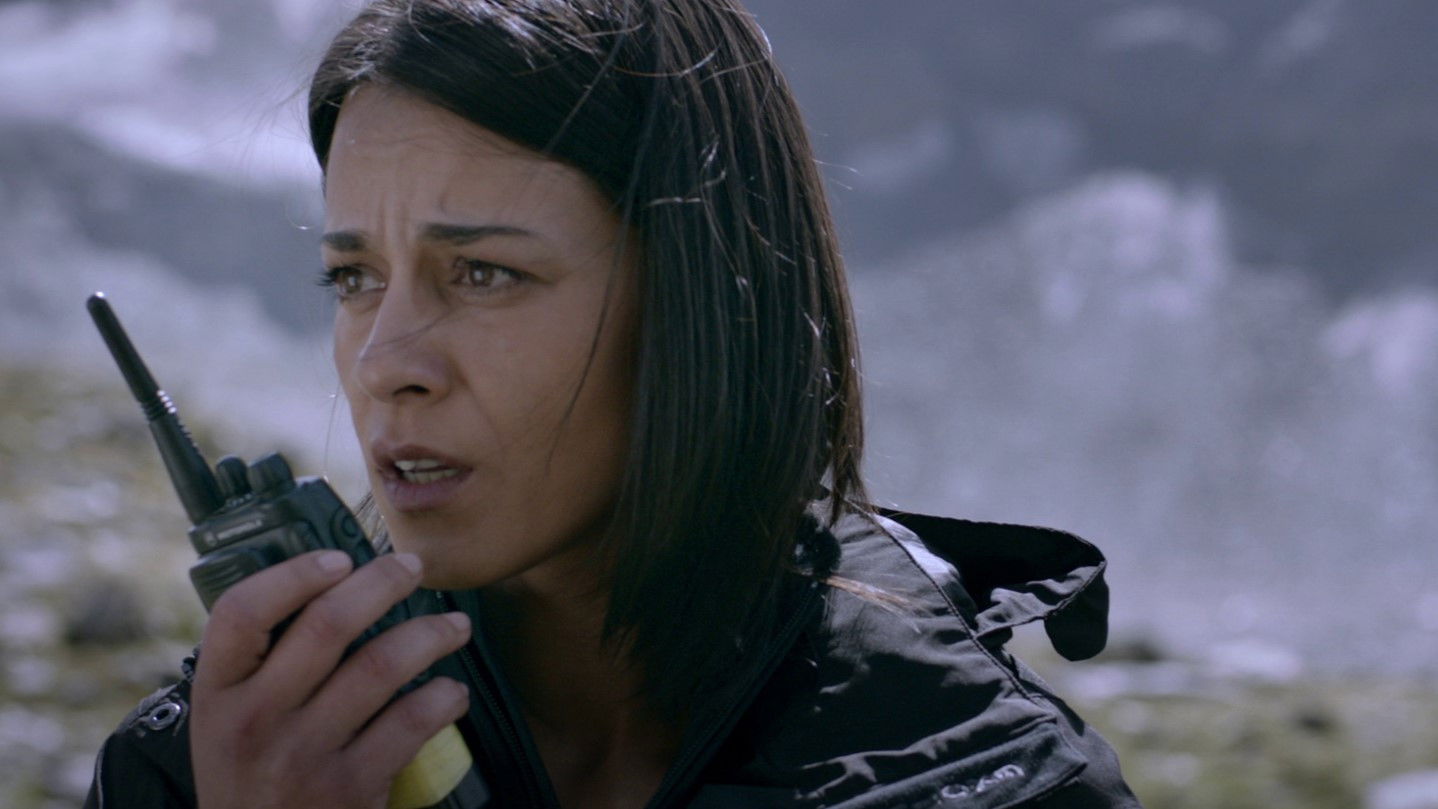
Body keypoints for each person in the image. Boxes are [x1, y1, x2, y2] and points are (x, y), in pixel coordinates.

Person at [85, 1, 1144, 807]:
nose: (382, 362)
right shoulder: (214, 769)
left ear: (701, 302)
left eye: (484, 273)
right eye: (354, 276)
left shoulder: (994, 782)